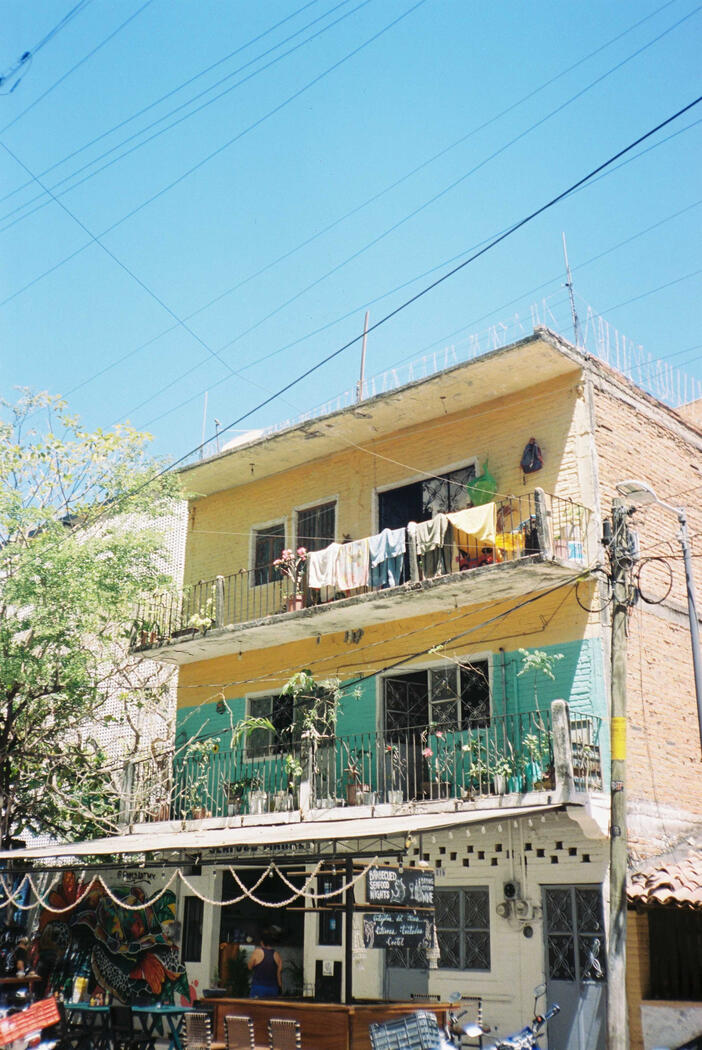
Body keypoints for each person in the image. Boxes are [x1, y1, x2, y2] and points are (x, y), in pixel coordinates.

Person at [247, 932, 282, 998]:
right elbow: (279, 974)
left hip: (258, 987)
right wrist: (280, 988)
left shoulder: (257, 952)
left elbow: (249, 967)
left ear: (261, 942)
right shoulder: (277, 955)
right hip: (273, 988)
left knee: (255, 1007)